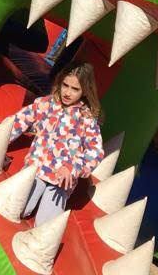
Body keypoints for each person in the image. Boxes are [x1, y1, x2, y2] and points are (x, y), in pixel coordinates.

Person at [8, 61, 104, 226]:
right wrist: (3, 140)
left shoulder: (87, 119)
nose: (67, 92)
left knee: (45, 225)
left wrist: (73, 168)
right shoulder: (46, 104)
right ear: (60, 82)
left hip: (60, 184)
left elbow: (95, 152)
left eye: (75, 89)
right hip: (36, 172)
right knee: (19, 208)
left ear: (85, 92)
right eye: (65, 85)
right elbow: (20, 120)